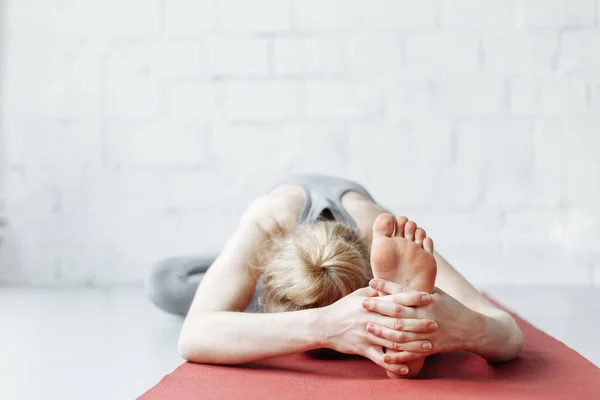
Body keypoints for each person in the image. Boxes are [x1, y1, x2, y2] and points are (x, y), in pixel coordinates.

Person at [146, 175, 524, 378]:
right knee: (165, 281)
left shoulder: (379, 231)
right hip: (273, 255)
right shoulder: (269, 218)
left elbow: (507, 333)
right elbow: (193, 337)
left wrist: (466, 327)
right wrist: (325, 324)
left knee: (216, 314)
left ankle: (397, 307)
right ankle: (389, 314)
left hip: (357, 260)